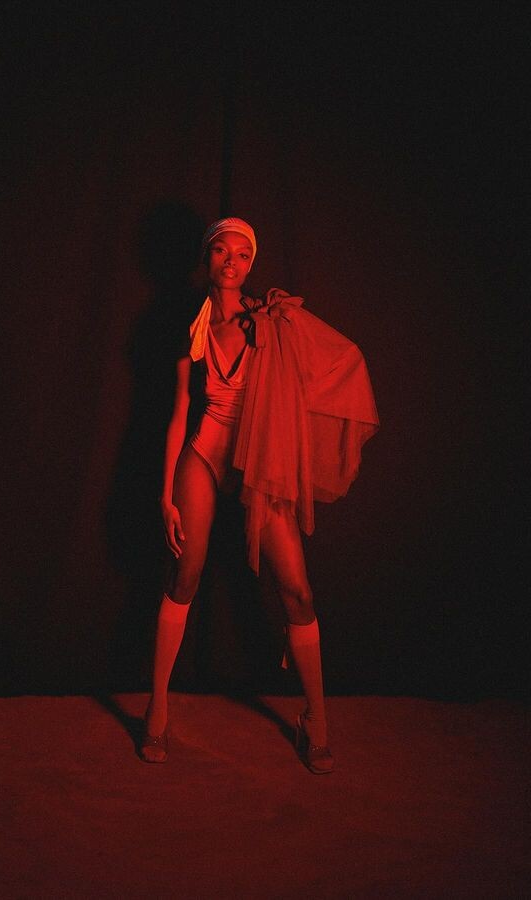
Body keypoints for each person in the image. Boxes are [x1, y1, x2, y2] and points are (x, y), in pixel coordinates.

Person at [139, 217, 379, 773]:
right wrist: (165, 495)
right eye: (221, 251)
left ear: (251, 264)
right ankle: (157, 709)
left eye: (242, 254)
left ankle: (315, 719)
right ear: (207, 258)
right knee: (186, 574)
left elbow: (337, 361)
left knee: (297, 591)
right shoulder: (193, 326)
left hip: (260, 460)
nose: (232, 261)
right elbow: (180, 413)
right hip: (206, 450)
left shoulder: (271, 319)